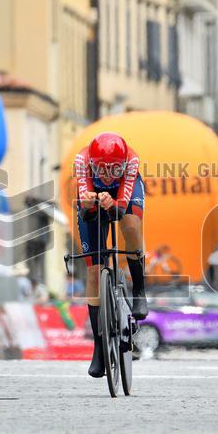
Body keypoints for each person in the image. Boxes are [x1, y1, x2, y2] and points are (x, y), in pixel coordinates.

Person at [74, 131, 147, 378]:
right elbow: (86, 213)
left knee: (130, 225)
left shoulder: (132, 161)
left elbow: (120, 209)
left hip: (123, 195)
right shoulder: (82, 161)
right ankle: (98, 346)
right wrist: (89, 205)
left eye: (114, 170)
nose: (107, 175)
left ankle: (139, 289)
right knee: (94, 271)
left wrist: (112, 205)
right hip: (92, 198)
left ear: (124, 164)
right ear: (92, 164)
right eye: (102, 170)